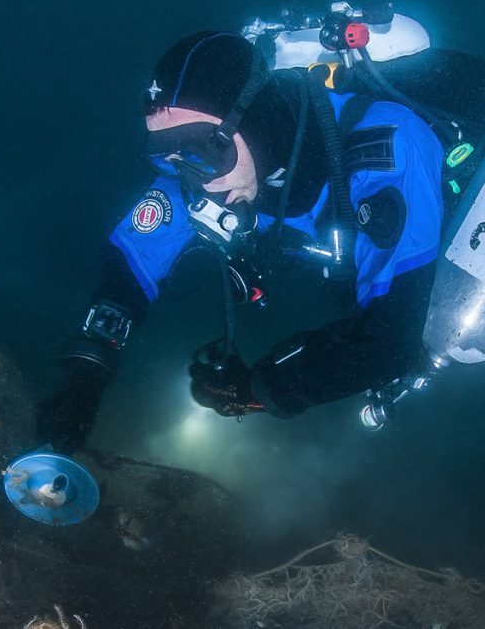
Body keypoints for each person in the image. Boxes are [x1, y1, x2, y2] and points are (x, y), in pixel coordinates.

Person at [37, 30, 447, 452]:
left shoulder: (388, 145)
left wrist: (257, 391)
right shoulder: (204, 172)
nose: (197, 183)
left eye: (198, 152)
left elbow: (394, 339)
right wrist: (85, 377)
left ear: (252, 117)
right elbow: (131, 263)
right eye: (169, 157)